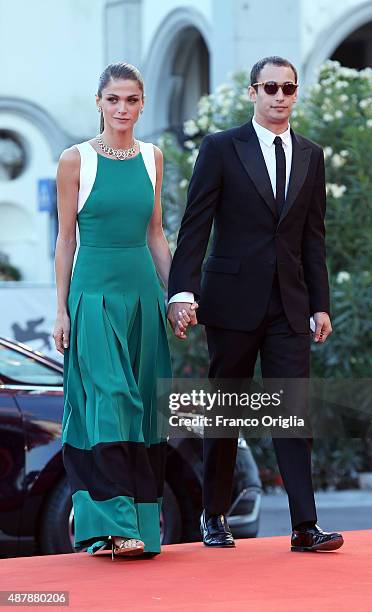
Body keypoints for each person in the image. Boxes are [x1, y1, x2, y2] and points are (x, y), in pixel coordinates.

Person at [167, 56, 344, 552]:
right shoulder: (222, 148)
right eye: (270, 87)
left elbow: (313, 236)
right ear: (252, 92)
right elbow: (196, 223)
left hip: (290, 305)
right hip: (231, 301)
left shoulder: (310, 154)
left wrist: (320, 303)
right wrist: (183, 291)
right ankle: (214, 514)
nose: (280, 96)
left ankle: (305, 527)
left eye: (288, 87)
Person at [53, 62, 183, 559]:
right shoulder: (75, 159)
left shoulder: (153, 156)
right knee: (110, 401)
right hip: (92, 295)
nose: (122, 108)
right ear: (99, 102)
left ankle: (142, 532)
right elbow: (66, 239)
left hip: (142, 296)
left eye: (131, 100)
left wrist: (176, 296)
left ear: (142, 103)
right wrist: (61, 310)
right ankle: (113, 526)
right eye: (113, 99)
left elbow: (155, 233)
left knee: (146, 408)